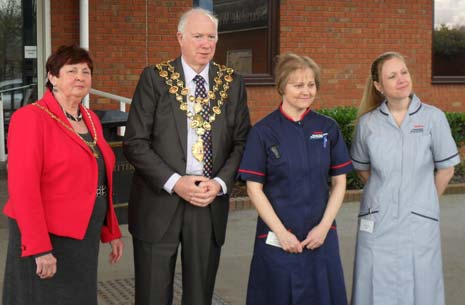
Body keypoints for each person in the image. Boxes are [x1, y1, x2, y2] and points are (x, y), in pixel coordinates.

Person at [123, 7, 250, 305]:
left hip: (207, 201)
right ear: (180, 38)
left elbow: (243, 141)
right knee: (153, 295)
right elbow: (135, 142)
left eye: (211, 37)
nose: (206, 43)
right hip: (159, 201)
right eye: (198, 36)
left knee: (199, 295)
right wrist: (175, 182)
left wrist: (219, 183)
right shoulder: (155, 78)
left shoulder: (232, 82)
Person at [2, 45, 124, 305]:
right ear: (52, 77)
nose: (80, 76)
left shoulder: (90, 119)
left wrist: (111, 230)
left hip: (83, 236)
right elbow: (23, 189)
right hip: (46, 235)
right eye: (71, 71)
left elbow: (101, 178)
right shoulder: (30, 118)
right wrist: (39, 247)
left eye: (85, 71)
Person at [237, 52, 353, 305]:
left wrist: (324, 227)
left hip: (320, 236)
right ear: (281, 87)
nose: (306, 91)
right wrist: (281, 233)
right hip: (277, 238)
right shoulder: (263, 131)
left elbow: (339, 182)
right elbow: (254, 189)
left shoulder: (328, 128)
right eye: (298, 85)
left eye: (311, 84)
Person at [350, 51, 460, 305]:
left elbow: (446, 169)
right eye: (392, 76)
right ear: (379, 86)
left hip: (419, 219)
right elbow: (363, 169)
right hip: (378, 218)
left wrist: (425, 198)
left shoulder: (433, 118)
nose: (401, 79)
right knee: (373, 284)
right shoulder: (368, 124)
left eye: (404, 72)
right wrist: (387, 194)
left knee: (421, 284)